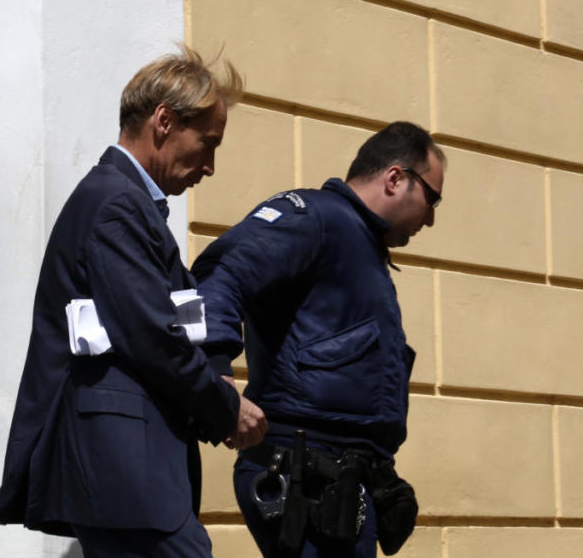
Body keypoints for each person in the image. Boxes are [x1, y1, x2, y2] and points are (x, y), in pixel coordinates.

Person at [0, 47, 267, 556]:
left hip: (129, 470)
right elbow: (153, 336)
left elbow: (178, 314)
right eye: (207, 144)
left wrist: (218, 373)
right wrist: (227, 409)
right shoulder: (117, 204)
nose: (209, 167)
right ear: (164, 122)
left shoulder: (127, 203)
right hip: (124, 471)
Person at [191, 121, 446, 558]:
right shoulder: (314, 218)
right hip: (303, 471)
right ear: (395, 178)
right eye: (431, 199)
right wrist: (216, 375)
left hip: (337, 476)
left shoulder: (360, 243)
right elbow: (219, 273)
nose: (431, 218)